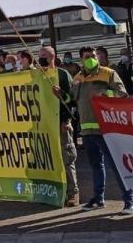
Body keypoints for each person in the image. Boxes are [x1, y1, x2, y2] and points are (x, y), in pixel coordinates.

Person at [73, 46, 133, 215]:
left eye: (94, 55)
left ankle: (129, 201)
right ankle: (98, 199)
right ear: (82, 59)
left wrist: (106, 95)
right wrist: (59, 95)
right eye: (88, 56)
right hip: (87, 131)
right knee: (96, 166)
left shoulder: (108, 73)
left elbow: (122, 93)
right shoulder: (77, 78)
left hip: (107, 128)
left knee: (116, 166)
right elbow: (72, 100)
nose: (92, 58)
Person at [38, 46, 78, 207]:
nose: (41, 59)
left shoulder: (62, 74)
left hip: (60, 123)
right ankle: (51, 193)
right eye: (39, 56)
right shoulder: (37, 75)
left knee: (66, 158)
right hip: (44, 124)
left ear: (52, 57)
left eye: (44, 56)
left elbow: (72, 99)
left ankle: (73, 193)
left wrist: (66, 121)